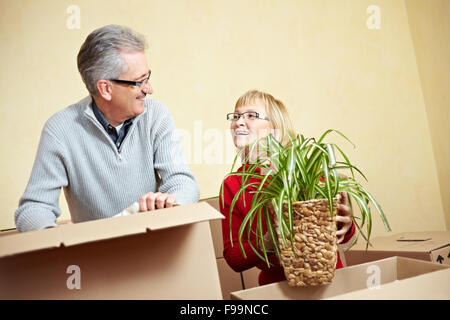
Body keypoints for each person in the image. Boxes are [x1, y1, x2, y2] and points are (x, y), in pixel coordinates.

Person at [14, 25, 199, 232]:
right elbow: (33, 208)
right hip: (96, 258)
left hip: (156, 244)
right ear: (105, 89)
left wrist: (169, 202)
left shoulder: (156, 115)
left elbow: (183, 182)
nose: (149, 89)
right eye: (139, 82)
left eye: (148, 77)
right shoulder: (60, 130)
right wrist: (50, 233)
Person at [219, 89, 355, 286]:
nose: (239, 121)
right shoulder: (232, 185)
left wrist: (346, 225)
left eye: (251, 116)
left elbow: (340, 234)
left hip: (329, 281)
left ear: (275, 127)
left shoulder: (308, 169)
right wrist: (267, 242)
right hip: (276, 288)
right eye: (236, 116)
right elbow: (233, 258)